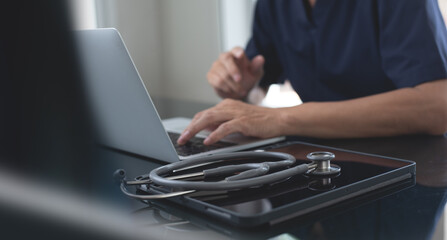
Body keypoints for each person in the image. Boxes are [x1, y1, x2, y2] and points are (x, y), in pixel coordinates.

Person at [178, 0, 447, 146]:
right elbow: (256, 82)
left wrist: (282, 118)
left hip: (402, 171)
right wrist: (241, 85)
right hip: (316, 165)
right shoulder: (273, 5)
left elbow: (436, 106)